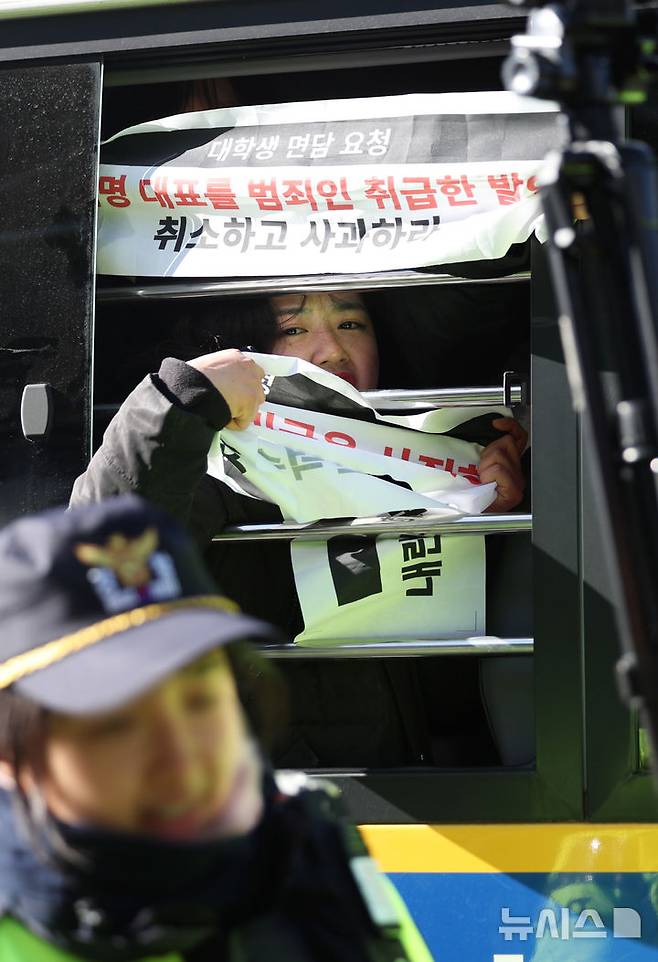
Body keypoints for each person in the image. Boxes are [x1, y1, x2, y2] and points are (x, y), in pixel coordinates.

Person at [72, 291, 527, 767]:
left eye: (352, 324)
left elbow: (451, 686)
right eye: (294, 329)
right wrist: (183, 399)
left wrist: (493, 516)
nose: (332, 350)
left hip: (415, 796)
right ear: (244, 351)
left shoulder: (424, 455)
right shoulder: (211, 463)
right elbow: (97, 575)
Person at [0, 494, 432, 962]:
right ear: (10, 755)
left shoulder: (311, 861)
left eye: (201, 700)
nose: (180, 751)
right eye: (116, 723)